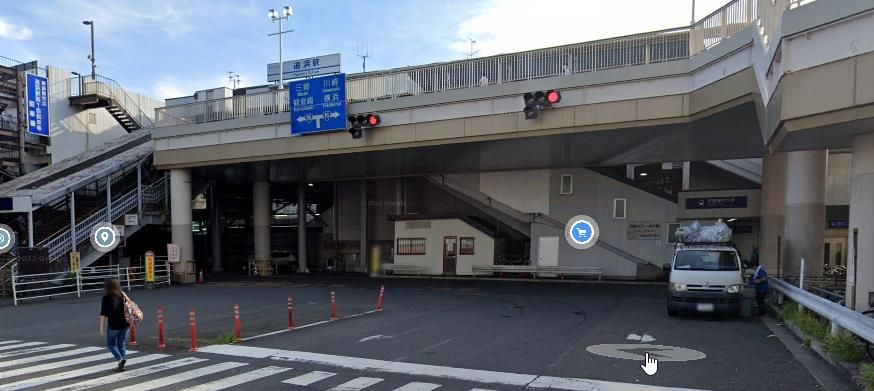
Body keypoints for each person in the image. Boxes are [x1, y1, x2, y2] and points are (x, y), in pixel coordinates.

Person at [99, 278, 129, 372]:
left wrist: (101, 328)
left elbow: (103, 314)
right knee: (121, 343)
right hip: (125, 324)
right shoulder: (122, 294)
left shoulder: (106, 297)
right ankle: (122, 364)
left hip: (114, 325)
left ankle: (120, 360)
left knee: (111, 344)